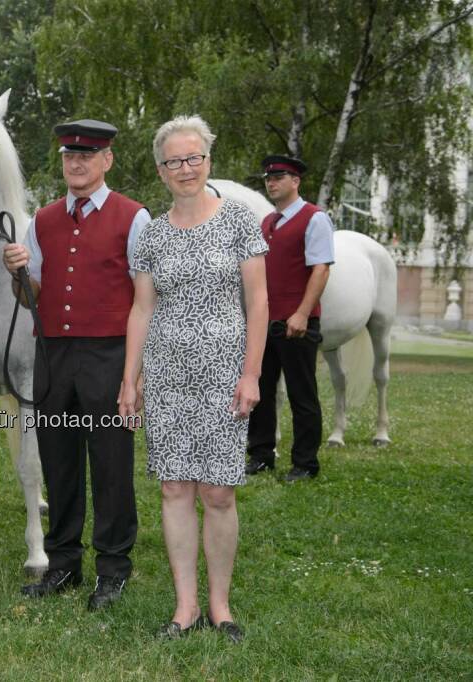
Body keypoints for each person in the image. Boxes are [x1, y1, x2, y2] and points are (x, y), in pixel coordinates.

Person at [119, 115, 268, 642]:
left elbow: (258, 303)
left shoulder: (239, 221)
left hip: (224, 378)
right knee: (174, 487)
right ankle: (184, 608)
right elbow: (140, 310)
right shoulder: (152, 235)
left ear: (208, 161)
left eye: (194, 158)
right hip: (165, 379)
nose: (185, 169)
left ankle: (220, 606)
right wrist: (129, 380)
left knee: (219, 493)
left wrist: (251, 375)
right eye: (174, 161)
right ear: (161, 171)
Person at [2, 119, 150, 611]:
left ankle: (113, 569)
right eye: (70, 155)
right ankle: (63, 563)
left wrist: (133, 374)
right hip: (54, 357)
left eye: (88, 155)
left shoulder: (135, 217)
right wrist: (17, 274)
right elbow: (31, 298)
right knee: (60, 463)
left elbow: (145, 301)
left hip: (108, 356)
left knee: (110, 466)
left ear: (107, 160)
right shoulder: (41, 220)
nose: (77, 163)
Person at [246, 156, 334, 482]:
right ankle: (261, 455)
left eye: (279, 177)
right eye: (268, 178)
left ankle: (305, 463)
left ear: (295, 181)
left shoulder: (314, 219)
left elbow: (321, 268)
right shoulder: (268, 222)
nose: (272, 183)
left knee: (302, 394)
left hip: (296, 323)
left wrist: (302, 312)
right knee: (262, 391)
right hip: (265, 322)